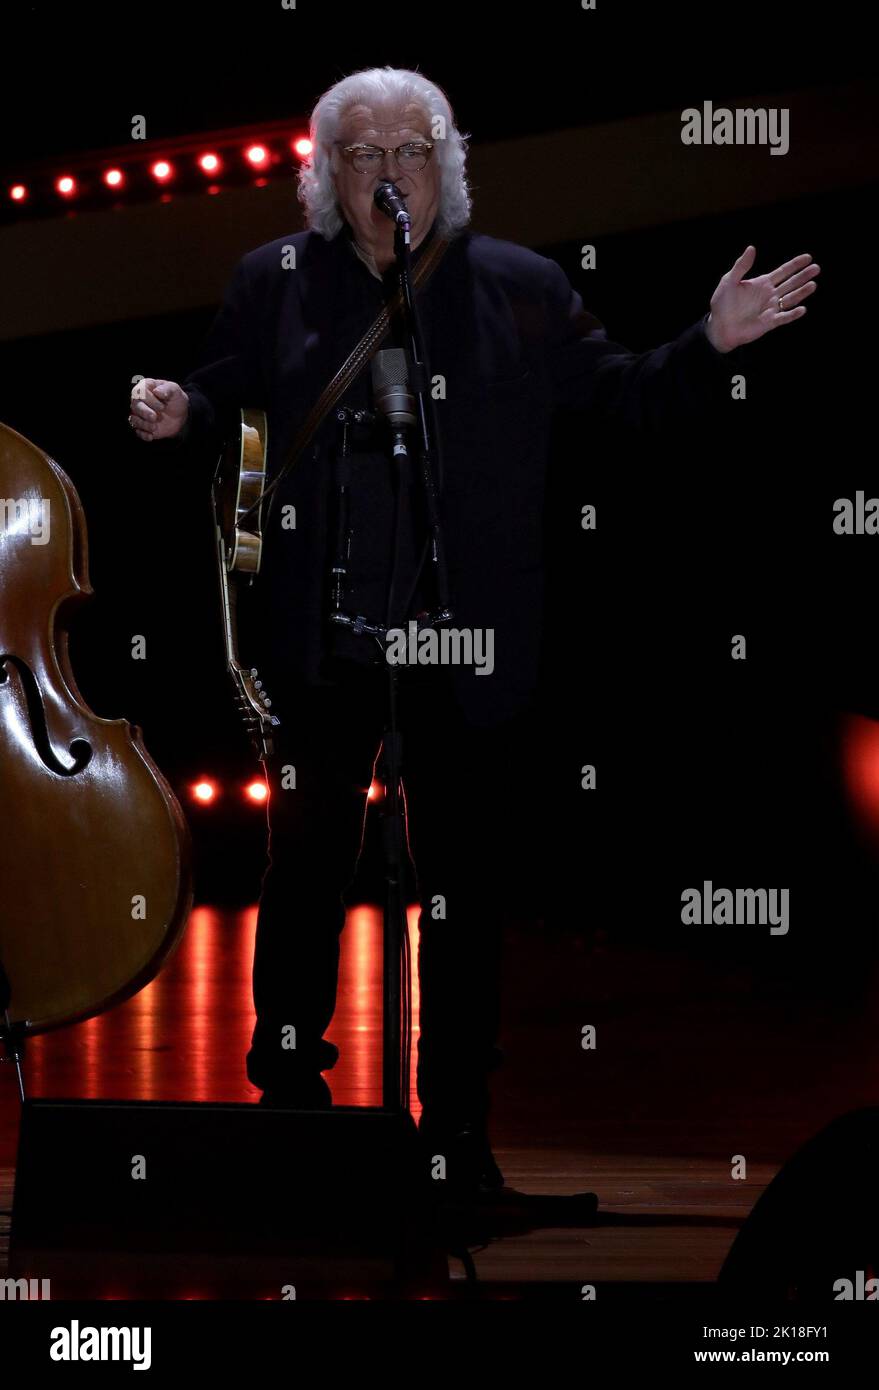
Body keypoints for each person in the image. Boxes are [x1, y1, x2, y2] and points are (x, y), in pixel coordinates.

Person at [128, 66, 820, 1198]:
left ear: (444, 163)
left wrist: (708, 344)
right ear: (327, 175)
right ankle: (293, 1107)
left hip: (465, 643)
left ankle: (454, 1134)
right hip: (326, 636)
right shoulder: (276, 282)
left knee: (461, 893)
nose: (390, 173)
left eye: (412, 151)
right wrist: (178, 412)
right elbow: (225, 395)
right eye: (364, 155)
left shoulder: (519, 285)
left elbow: (622, 393)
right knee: (303, 871)